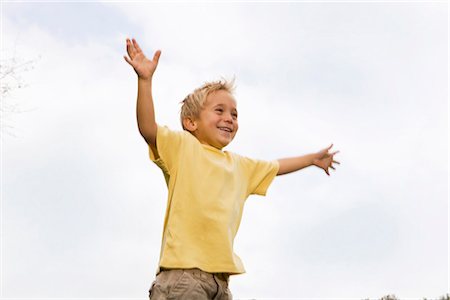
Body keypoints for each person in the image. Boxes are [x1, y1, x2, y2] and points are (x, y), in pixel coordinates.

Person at [124, 38, 340, 300]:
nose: (229, 118)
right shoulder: (183, 148)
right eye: (219, 111)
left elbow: (276, 166)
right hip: (183, 277)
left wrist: (311, 159)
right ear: (190, 122)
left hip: (221, 283)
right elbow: (148, 129)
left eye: (234, 114)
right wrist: (144, 81)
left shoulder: (239, 165)